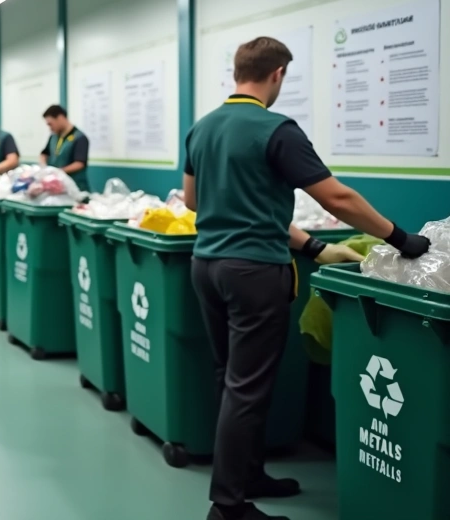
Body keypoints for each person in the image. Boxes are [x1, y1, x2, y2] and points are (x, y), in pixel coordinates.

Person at [184, 36, 430, 520]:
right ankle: (228, 505)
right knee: (247, 385)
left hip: (206, 265)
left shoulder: (201, 128)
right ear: (276, 75)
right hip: (253, 271)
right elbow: (336, 199)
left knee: (229, 378)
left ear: (238, 72)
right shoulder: (276, 129)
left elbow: (194, 202)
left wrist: (313, 246)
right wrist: (403, 239)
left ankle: (247, 474)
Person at [40, 105, 90, 192]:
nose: (50, 128)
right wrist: (44, 168)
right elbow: (44, 153)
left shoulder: (79, 138)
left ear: (60, 118)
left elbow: (79, 164)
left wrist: (58, 172)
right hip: (57, 188)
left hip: (76, 188)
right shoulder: (54, 137)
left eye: (50, 124)